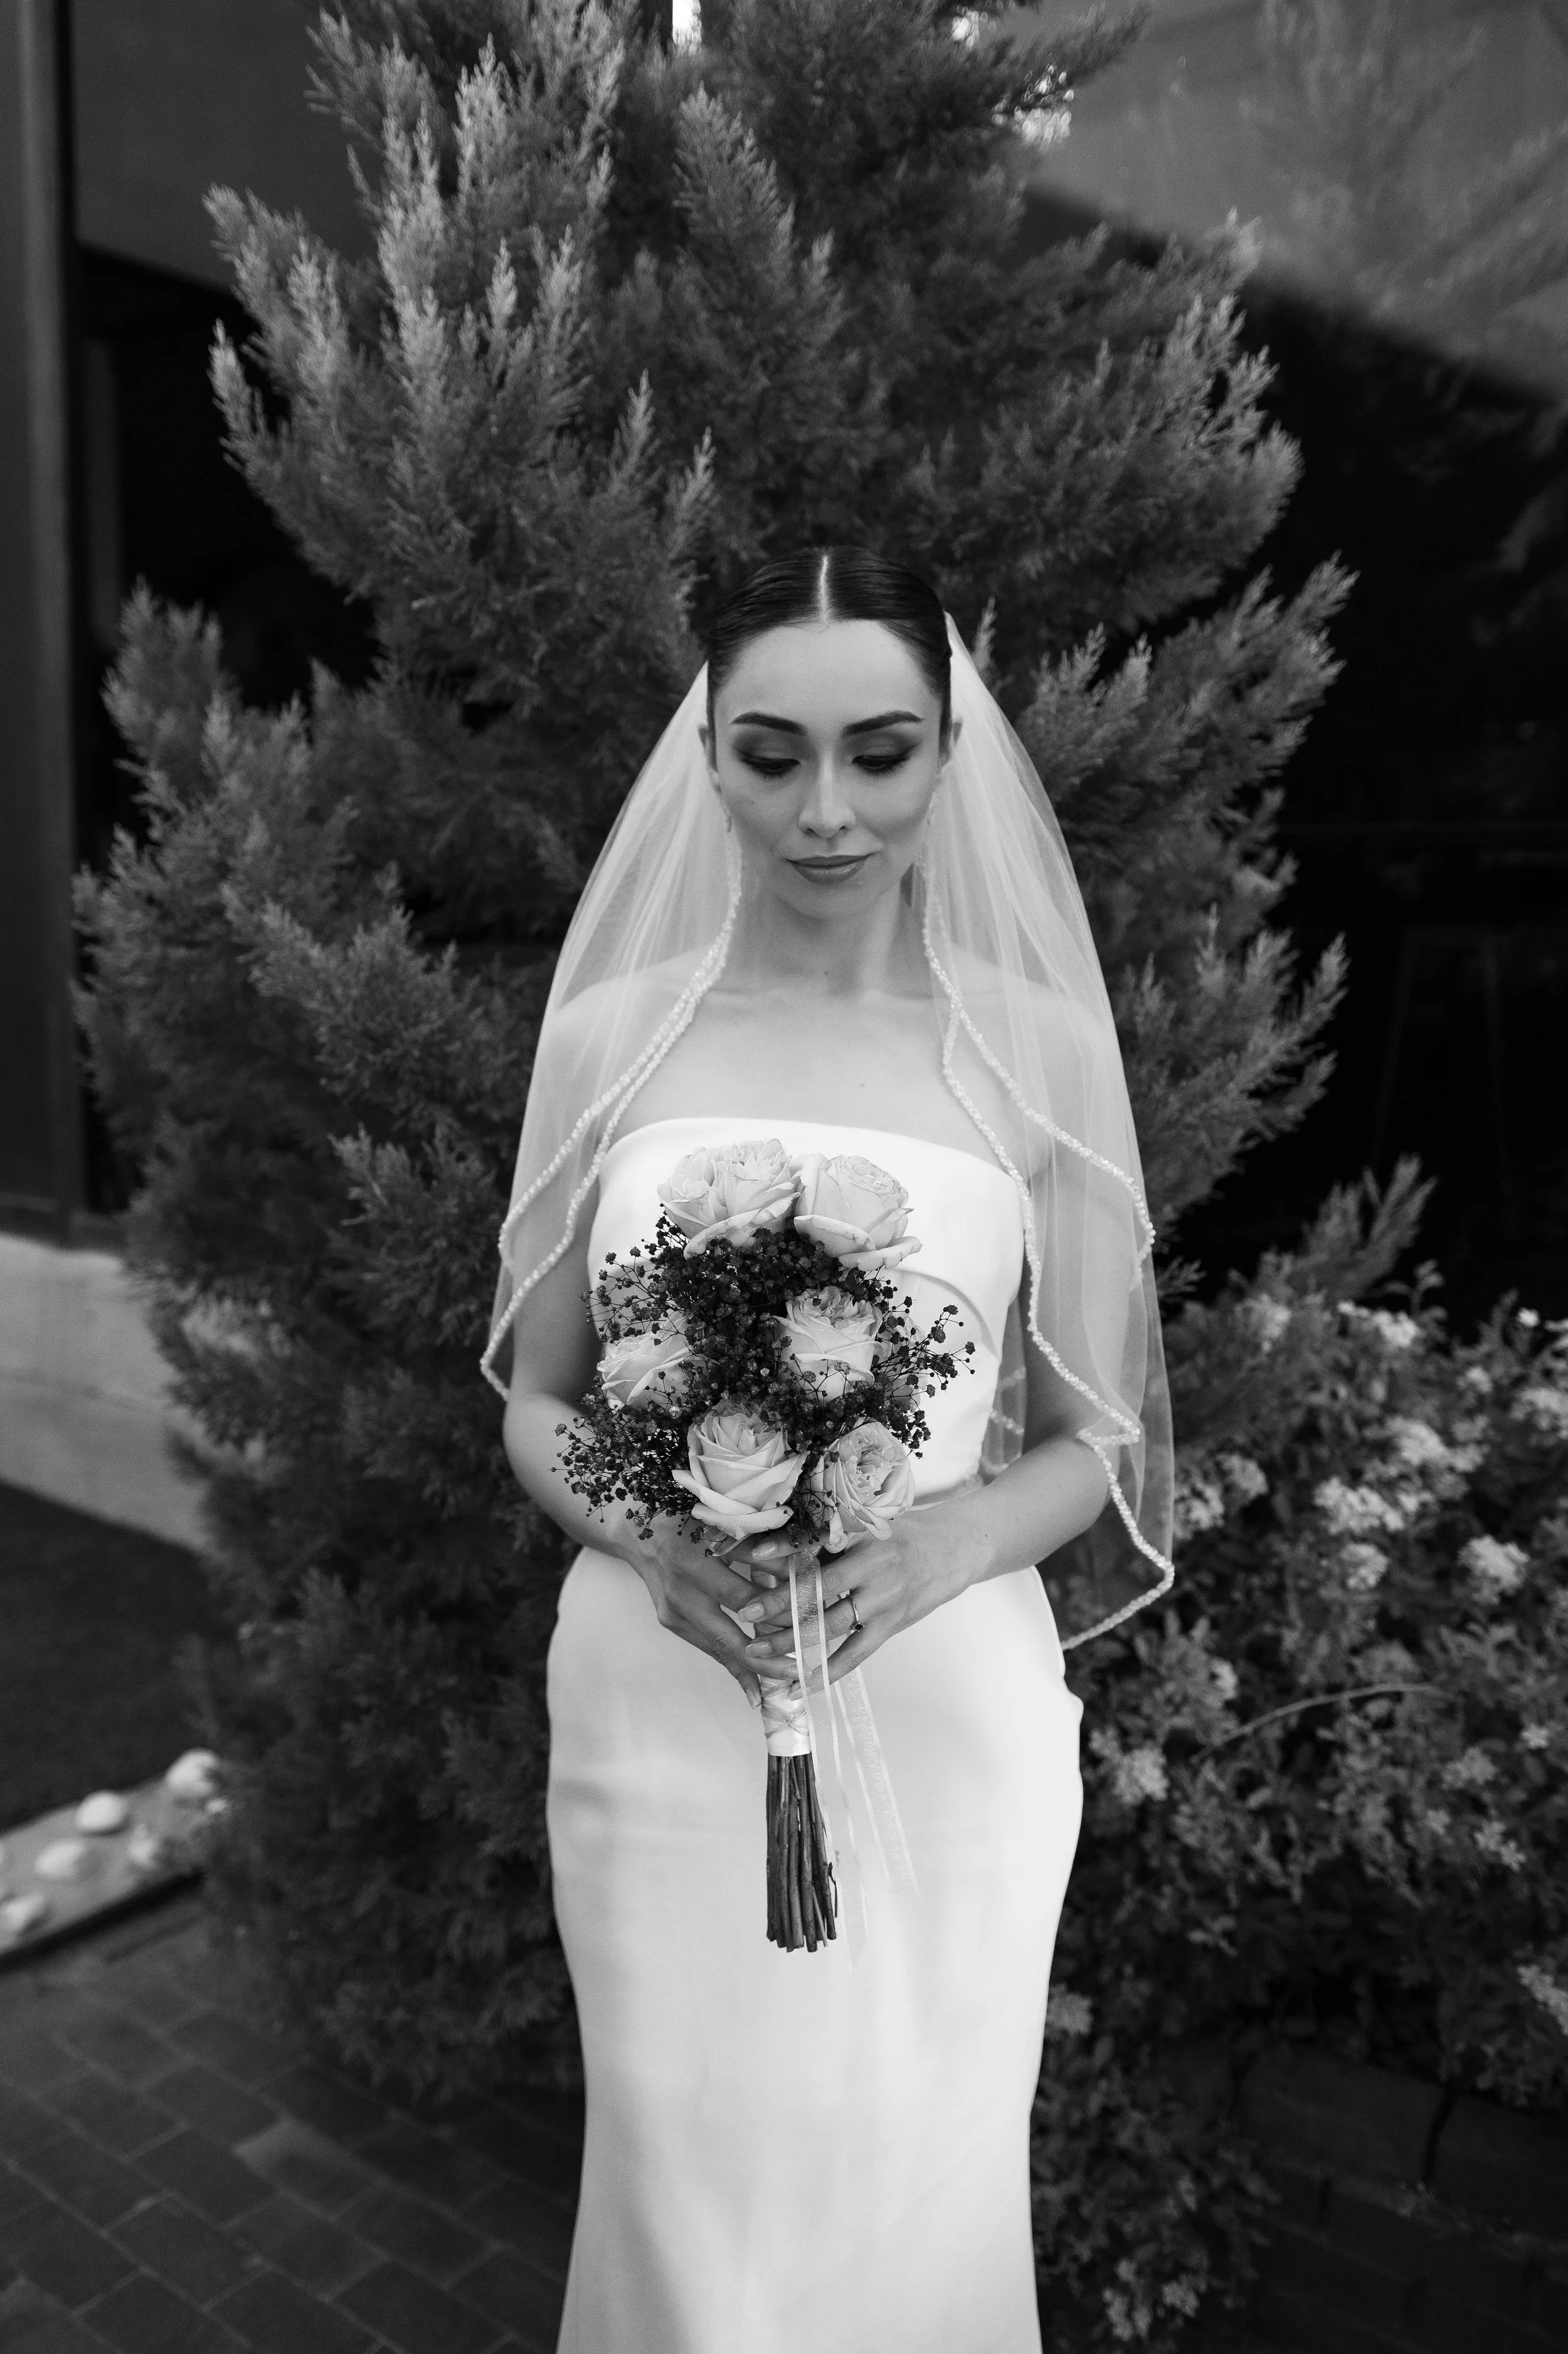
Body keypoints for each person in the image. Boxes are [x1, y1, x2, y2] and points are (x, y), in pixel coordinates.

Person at [485, 547, 1174, 2353]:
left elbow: (1094, 1429)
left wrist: (943, 1548)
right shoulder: (609, 1040)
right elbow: (536, 1400)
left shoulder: (1035, 1053)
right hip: (661, 1690)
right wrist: (652, 1538)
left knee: (914, 2185)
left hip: (943, 1700)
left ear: (947, 755)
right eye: (770, 753)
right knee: (687, 2193)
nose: (824, 810)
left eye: (877, 752)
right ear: (703, 757)